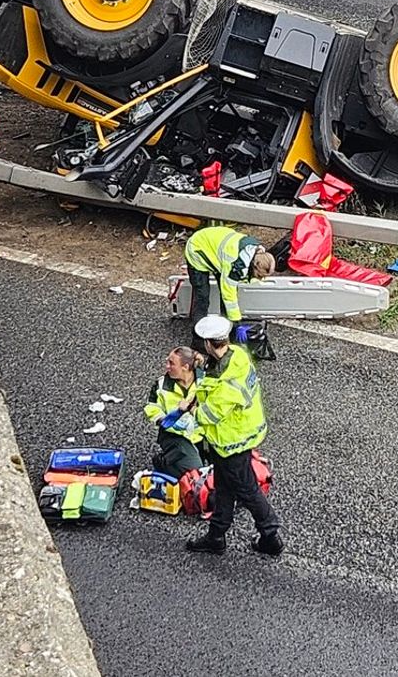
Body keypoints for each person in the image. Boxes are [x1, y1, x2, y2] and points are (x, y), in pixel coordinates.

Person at [174, 315, 282, 557]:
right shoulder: (237, 355)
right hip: (233, 439)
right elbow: (217, 372)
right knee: (223, 487)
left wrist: (188, 408)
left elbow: (209, 415)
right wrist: (203, 363)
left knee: (247, 490)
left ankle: (270, 536)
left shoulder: (225, 387)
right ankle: (216, 535)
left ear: (209, 344)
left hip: (231, 442)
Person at [181, 225, 276, 344]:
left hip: (214, 248)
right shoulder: (234, 266)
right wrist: (237, 323)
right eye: (260, 276)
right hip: (197, 250)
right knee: (202, 297)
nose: (261, 279)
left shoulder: (255, 253)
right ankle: (198, 339)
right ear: (254, 266)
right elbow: (229, 297)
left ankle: (224, 332)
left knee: (224, 297)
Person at [143, 346, 205, 477]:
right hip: (175, 435)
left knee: (221, 469)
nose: (167, 366)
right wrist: (162, 420)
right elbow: (152, 407)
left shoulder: (205, 382)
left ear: (186, 367)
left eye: (171, 363)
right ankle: (164, 463)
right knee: (196, 473)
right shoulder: (161, 385)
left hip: (202, 433)